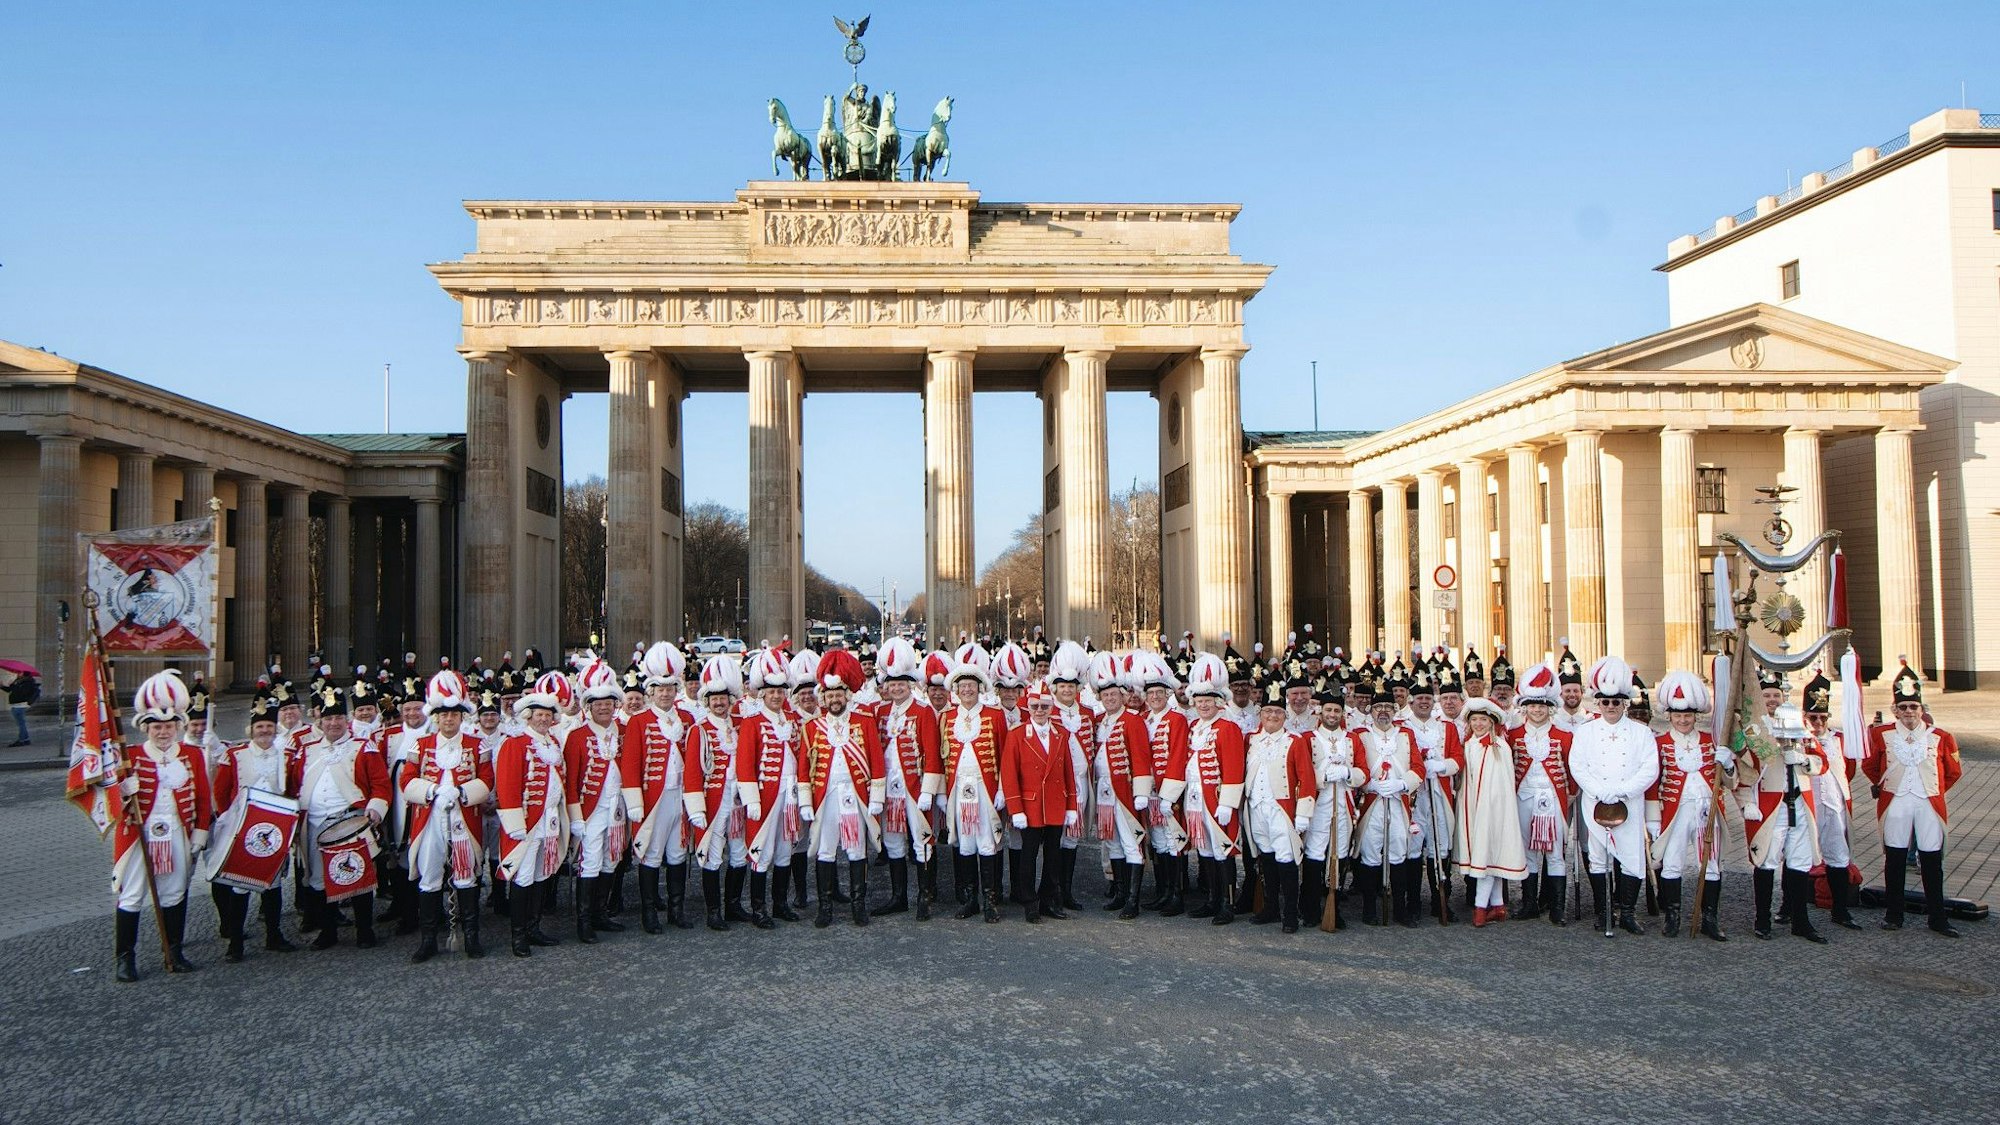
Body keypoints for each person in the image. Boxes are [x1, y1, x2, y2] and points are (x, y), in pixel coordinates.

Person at [109, 671, 214, 981]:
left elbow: (204, 797)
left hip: (178, 832)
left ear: (178, 726)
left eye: (169, 726)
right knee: (132, 895)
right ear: (146, 728)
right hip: (139, 835)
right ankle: (125, 958)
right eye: (157, 727)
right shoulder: (130, 757)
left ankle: (174, 951)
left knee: (174, 892)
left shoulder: (193, 755)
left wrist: (200, 834)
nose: (163, 732)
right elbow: (110, 801)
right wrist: (121, 791)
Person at [1862, 660, 1963, 937]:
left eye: (1913, 707)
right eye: (1903, 707)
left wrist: (1936, 791)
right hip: (1895, 801)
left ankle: (1938, 917)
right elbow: (1869, 766)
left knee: (1931, 860)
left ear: (1922, 709)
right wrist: (1882, 787)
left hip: (1928, 802)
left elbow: (1953, 772)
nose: (1908, 712)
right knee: (1894, 859)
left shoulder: (1941, 737)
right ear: (1896, 709)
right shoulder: (1881, 734)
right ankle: (1894, 914)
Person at [402, 670, 494, 962]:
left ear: (461, 717)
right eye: (443, 715)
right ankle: (428, 939)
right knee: (429, 877)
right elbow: (406, 782)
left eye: (454, 715)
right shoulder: (420, 745)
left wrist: (464, 793)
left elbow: (487, 780)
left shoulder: (478, 745)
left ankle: (471, 937)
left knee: (466, 876)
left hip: (463, 819)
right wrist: (430, 792)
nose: (449, 720)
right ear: (436, 718)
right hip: (429, 819)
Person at [294, 684, 391, 950]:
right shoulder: (307, 751)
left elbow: (381, 784)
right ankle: (328, 931)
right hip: (313, 823)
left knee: (357, 875)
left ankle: (364, 929)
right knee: (319, 880)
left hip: (351, 821)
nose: (334, 723)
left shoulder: (363, 747)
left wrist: (375, 809)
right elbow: (294, 786)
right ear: (320, 722)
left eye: (338, 718)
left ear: (346, 720)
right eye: (328, 718)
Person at [1567, 657, 1658, 935]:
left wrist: (1624, 791)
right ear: (1598, 703)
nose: (1610, 707)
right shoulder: (1585, 732)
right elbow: (1577, 765)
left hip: (1628, 802)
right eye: (1605, 702)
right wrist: (1598, 791)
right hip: (1596, 802)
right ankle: (1603, 911)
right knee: (1597, 858)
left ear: (1625, 703)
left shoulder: (1642, 733)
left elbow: (1650, 767)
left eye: (1616, 702)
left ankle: (1628, 913)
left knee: (1632, 859)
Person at [207, 687, 298, 962]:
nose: (264, 731)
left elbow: (292, 790)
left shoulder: (286, 756)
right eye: (260, 726)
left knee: (272, 886)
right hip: (241, 829)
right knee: (240, 886)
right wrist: (230, 821)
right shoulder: (234, 755)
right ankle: (235, 941)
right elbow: (221, 793)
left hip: (274, 830)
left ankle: (274, 935)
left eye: (269, 725)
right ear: (251, 729)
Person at [797, 649, 882, 928]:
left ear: (847, 696)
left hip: (855, 795)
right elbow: (804, 766)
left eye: (839, 695)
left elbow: (876, 760)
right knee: (825, 849)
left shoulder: (864, 722)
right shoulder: (812, 727)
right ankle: (825, 906)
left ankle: (859, 905)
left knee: (857, 850)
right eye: (830, 695)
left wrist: (877, 797)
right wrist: (806, 802)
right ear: (824, 697)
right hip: (826, 797)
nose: (835, 700)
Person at [1160, 653, 1246, 925]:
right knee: (1205, 849)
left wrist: (1228, 803)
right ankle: (1211, 899)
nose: (1203, 705)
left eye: (1208, 701)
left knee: (1223, 849)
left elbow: (1234, 766)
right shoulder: (1194, 726)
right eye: (1199, 701)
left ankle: (1227, 903)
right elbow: (1180, 761)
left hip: (1216, 798)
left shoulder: (1227, 728)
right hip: (1195, 798)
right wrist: (1170, 795)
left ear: (1219, 702)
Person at [1646, 671, 1729, 941]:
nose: (1683, 720)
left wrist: (1727, 764)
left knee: (1712, 864)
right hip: (1675, 812)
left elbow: (1728, 780)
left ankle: (1709, 918)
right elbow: (1652, 782)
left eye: (1688, 716)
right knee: (1672, 864)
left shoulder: (1711, 741)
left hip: (1708, 810)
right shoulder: (1658, 743)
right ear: (1669, 716)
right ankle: (1672, 917)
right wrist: (1653, 820)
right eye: (1678, 716)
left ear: (1696, 716)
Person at [620, 641, 695, 933]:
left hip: (681, 796)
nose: (665, 694)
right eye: (660, 689)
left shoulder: (687, 719)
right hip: (654, 798)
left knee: (677, 853)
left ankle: (676, 910)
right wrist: (635, 802)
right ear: (651, 692)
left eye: (670, 689)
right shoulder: (639, 722)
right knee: (651, 854)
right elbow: (630, 764)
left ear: (676, 691)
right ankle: (649, 913)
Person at [873, 637, 944, 920]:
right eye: (892, 684)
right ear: (886, 686)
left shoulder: (923, 711)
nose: (897, 688)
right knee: (892, 842)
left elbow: (933, 754)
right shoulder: (878, 712)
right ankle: (898, 896)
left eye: (901, 683)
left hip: (915, 788)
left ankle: (924, 896)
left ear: (910, 684)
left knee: (922, 839)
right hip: (889, 789)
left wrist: (929, 789)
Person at [495, 686, 568, 956]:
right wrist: (515, 825)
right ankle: (518, 936)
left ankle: (534, 928)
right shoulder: (515, 743)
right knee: (523, 876)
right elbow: (506, 785)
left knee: (542, 874)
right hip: (525, 822)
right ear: (528, 716)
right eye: (539, 714)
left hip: (549, 819)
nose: (544, 719)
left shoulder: (554, 743)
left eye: (548, 715)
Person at [1346, 675, 1423, 926]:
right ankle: (1369, 908)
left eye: (1388, 708)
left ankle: (1400, 909)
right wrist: (1370, 784)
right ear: (1371, 710)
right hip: (1372, 801)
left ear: (1395, 710)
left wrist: (1402, 784)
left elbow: (1418, 768)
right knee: (1369, 852)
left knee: (1399, 851)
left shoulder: (1406, 735)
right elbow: (1355, 765)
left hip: (1398, 801)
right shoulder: (1360, 735)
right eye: (1378, 707)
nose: (1383, 712)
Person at [562, 660, 629, 943]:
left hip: (617, 808)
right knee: (589, 862)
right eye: (598, 704)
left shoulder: (623, 732)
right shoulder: (577, 737)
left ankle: (601, 913)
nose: (604, 708)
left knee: (610, 860)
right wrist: (575, 817)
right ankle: (584, 921)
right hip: (590, 810)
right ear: (588, 707)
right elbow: (571, 781)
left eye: (609, 704)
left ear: (616, 706)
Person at [1001, 686, 1082, 923]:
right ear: (1028, 707)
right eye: (1035, 706)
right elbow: (1009, 774)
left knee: (1053, 856)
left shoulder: (1061, 734)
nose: (1039, 711)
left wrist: (1071, 806)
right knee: (1028, 856)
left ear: (1051, 708)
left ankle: (1049, 899)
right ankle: (1029, 902)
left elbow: (1069, 771)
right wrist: (1015, 809)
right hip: (1030, 806)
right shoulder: (1017, 734)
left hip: (1056, 803)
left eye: (1044, 707)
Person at [736, 649, 803, 929]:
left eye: (780, 691)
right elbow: (744, 763)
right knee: (761, 851)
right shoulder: (752, 723)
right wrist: (751, 797)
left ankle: (780, 903)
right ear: (762, 694)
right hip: (764, 796)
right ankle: (758, 907)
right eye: (771, 692)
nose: (776, 696)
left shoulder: (792, 720)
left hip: (790, 795)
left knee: (785, 850)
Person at [1242, 680, 1315, 932]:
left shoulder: (1294, 741)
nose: (1272, 716)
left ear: (1285, 715)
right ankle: (1271, 907)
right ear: (1260, 715)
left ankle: (1290, 913)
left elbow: (1307, 777)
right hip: (1256, 807)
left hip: (1281, 808)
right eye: (1267, 712)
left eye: (1277, 712)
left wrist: (1303, 813)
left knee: (1286, 858)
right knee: (1267, 857)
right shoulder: (1251, 739)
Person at [940, 657, 1009, 922]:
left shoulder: (994, 716)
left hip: (986, 790)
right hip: (959, 791)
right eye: (962, 686)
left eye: (971, 685)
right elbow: (939, 756)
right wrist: (940, 795)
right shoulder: (947, 718)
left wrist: (1002, 789)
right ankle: (970, 899)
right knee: (965, 843)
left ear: (979, 688)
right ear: (955, 691)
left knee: (987, 841)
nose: (967, 690)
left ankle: (991, 901)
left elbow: (1004, 756)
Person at [1508, 662, 1575, 925]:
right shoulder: (1513, 735)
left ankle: (1558, 907)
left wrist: (1570, 795)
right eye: (1532, 705)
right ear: (1525, 707)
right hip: (1523, 797)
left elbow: (1572, 770)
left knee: (1556, 852)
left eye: (1542, 706)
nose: (1537, 710)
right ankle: (1529, 904)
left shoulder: (1565, 735)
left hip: (1554, 799)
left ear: (1550, 707)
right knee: (1528, 852)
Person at [685, 656, 749, 931]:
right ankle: (714, 911)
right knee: (711, 856)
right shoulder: (699, 730)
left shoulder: (742, 725)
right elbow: (692, 773)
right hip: (713, 800)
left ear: (730, 700)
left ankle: (733, 905)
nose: (719, 703)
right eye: (714, 699)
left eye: (723, 698)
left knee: (739, 853)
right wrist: (696, 808)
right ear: (707, 702)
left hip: (739, 800)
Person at [1801, 669, 1864, 931]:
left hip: (1834, 805)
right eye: (1813, 717)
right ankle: (1790, 908)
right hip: (1807, 805)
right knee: (1798, 857)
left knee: (1838, 856)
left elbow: (1849, 769)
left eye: (1822, 717)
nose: (1818, 722)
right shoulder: (1798, 740)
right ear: (1805, 717)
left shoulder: (1839, 740)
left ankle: (1839, 909)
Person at [1454, 698, 1525, 926]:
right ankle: (1498, 906)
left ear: (1492, 722)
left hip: (1491, 809)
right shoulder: (1469, 744)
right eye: (1474, 719)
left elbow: (1498, 785)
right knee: (1490, 856)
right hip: (1473, 806)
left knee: (1486, 855)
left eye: (1483, 719)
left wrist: (1487, 808)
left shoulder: (1498, 747)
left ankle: (1480, 909)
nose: (1478, 724)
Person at [1091, 658, 1153, 920]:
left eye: (1114, 694)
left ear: (1123, 696)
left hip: (1125, 790)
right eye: (1105, 695)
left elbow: (1141, 757)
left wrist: (1141, 792)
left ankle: (1132, 899)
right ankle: (1119, 891)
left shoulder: (1132, 720)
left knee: (1131, 842)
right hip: (1103, 789)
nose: (1110, 698)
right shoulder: (1099, 721)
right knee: (1112, 842)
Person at [1138, 653, 1192, 916]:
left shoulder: (1177, 719)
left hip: (1168, 792)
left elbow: (1178, 755)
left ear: (1168, 694)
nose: (1155, 697)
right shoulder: (1144, 719)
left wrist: (1169, 795)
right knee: (1158, 840)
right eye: (1151, 694)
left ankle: (1176, 895)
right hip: (1149, 790)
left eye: (1160, 692)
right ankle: (1162, 891)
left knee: (1173, 840)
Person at [7, 669, 38, 746]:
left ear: (24, 674)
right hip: (16, 705)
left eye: (19, 672)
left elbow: (21, 693)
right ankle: (26, 739)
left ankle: (21, 740)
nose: (17, 674)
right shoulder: (19, 681)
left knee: (21, 724)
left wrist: (13, 685)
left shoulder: (27, 682)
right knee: (21, 723)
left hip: (20, 705)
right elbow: (10, 690)